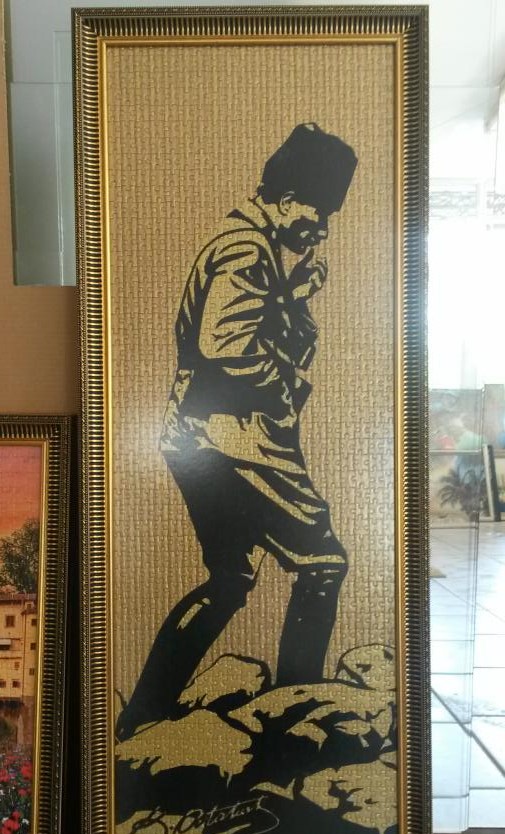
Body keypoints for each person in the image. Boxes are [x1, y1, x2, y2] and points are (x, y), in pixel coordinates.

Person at [117, 123, 358, 740]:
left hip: (196, 438)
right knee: (323, 561)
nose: (322, 228)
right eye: (318, 212)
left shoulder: (248, 245)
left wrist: (292, 295)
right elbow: (225, 344)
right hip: (239, 441)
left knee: (230, 579)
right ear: (286, 199)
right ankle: (297, 710)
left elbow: (241, 325)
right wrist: (284, 386)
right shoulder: (247, 250)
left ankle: (143, 715)